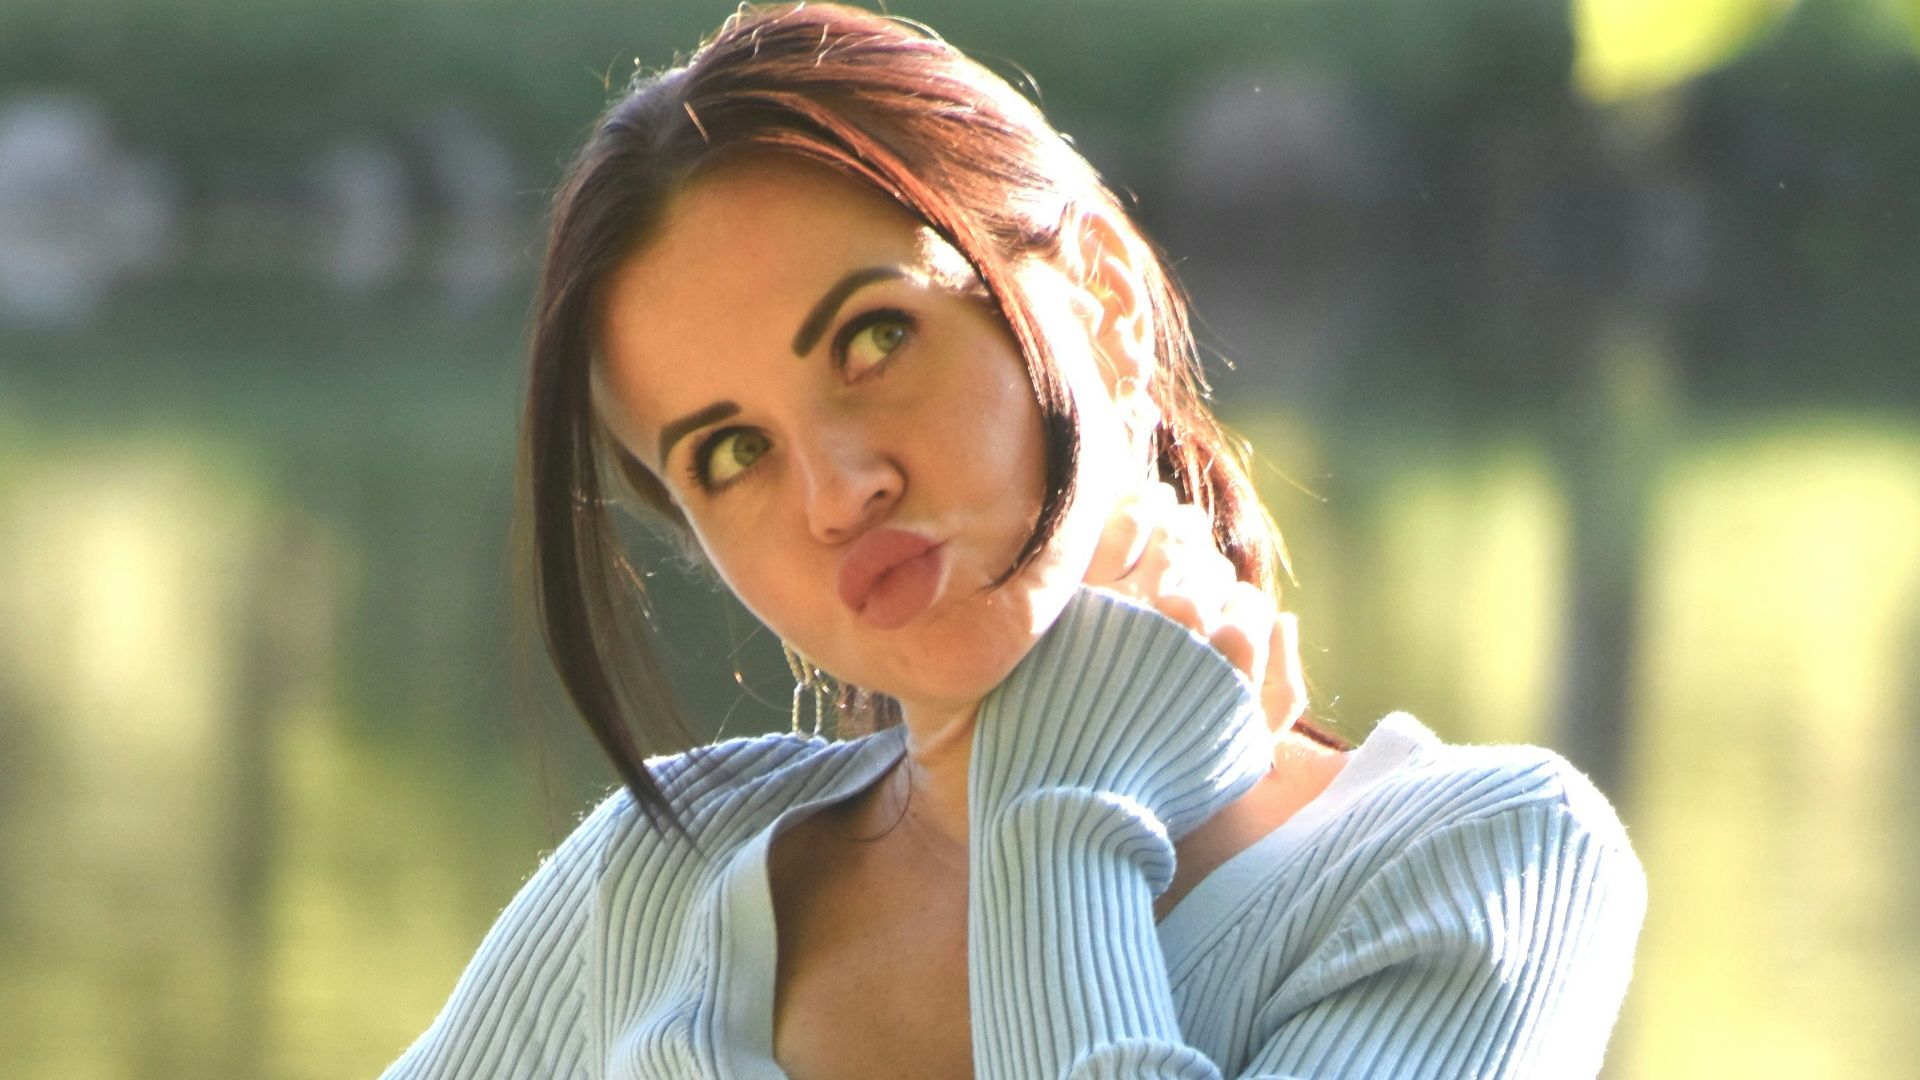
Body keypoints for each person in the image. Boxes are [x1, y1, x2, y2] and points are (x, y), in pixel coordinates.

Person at [382, 4, 1646, 1078]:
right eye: (731, 453)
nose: (835, 490)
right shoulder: (663, 875)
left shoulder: (1474, 865)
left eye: (876, 339)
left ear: (1097, 295)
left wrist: (1060, 809)